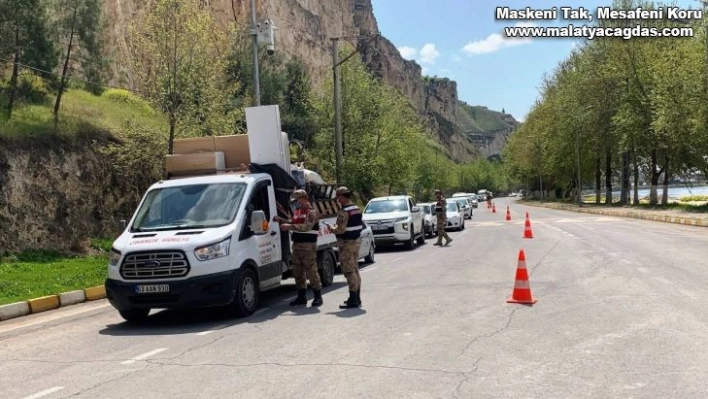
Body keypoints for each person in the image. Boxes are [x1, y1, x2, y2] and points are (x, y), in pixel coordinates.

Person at [274, 189, 323, 307]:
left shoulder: (311, 212)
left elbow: (307, 226)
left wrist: (290, 226)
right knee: (298, 272)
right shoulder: (297, 211)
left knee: (311, 271)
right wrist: (282, 220)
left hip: (308, 246)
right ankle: (302, 296)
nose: (296, 203)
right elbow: (294, 221)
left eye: (297, 200)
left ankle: (317, 296)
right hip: (296, 245)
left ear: (304, 198)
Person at [325, 186, 364, 309]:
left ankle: (353, 299)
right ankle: (356, 298)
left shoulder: (344, 211)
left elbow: (340, 230)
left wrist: (331, 228)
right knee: (355, 269)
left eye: (338, 198)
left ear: (341, 197)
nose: (337, 200)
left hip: (346, 243)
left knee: (349, 271)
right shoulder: (357, 208)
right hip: (356, 242)